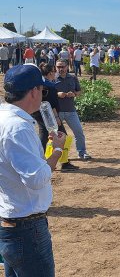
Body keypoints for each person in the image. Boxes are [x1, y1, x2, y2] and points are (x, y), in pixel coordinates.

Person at [0, 64, 66, 276]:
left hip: (10, 222)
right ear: (34, 92)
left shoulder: (4, 120)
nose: (42, 96)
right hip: (27, 228)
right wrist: (56, 150)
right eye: (43, 90)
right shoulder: (18, 127)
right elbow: (37, 179)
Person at [32, 63, 79, 171]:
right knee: (62, 136)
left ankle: (40, 160)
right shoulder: (50, 86)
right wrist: (56, 118)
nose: (56, 73)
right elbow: (52, 104)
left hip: (37, 113)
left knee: (43, 135)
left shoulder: (38, 84)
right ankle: (65, 163)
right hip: (49, 115)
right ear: (50, 73)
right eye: (54, 71)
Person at [55, 58, 92, 160]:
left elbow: (79, 91)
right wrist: (57, 94)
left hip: (71, 110)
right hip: (57, 112)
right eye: (58, 67)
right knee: (54, 135)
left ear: (67, 67)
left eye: (62, 67)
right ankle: (55, 155)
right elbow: (46, 94)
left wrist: (74, 94)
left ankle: (82, 152)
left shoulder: (72, 78)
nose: (60, 69)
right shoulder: (52, 78)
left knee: (79, 132)